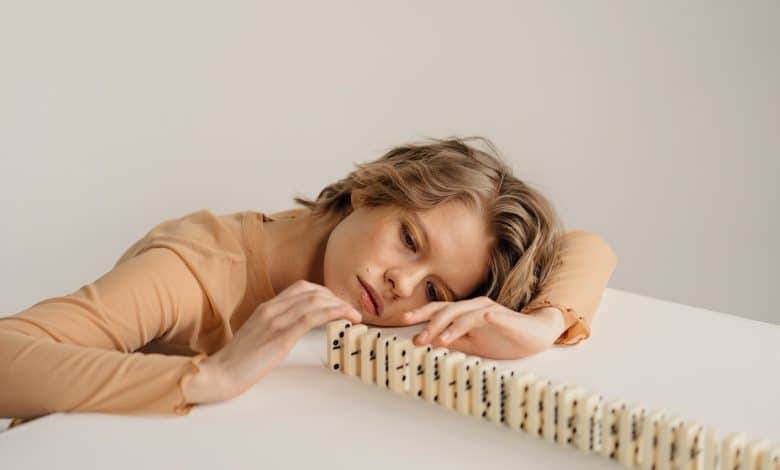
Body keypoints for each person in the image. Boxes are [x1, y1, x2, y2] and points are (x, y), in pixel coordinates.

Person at [0, 136, 617, 430]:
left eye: (435, 292)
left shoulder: (357, 269)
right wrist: (209, 376)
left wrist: (542, 325)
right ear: (369, 191)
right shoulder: (196, 267)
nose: (402, 284)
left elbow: (587, 246)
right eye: (409, 239)